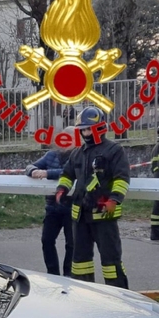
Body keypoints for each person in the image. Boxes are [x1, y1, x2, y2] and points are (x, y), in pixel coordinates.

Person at [55, 107, 130, 288]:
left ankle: (120, 297)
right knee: (80, 263)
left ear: (100, 128)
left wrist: (114, 199)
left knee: (111, 262)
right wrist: (62, 189)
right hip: (80, 217)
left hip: (103, 215)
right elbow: (67, 174)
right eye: (83, 130)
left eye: (89, 129)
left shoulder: (114, 150)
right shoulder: (77, 153)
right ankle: (85, 297)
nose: (86, 133)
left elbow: (122, 178)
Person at [25, 144, 74, 277]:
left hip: (72, 207)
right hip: (52, 207)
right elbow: (30, 166)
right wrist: (33, 171)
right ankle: (53, 274)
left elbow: (71, 171)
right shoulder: (51, 154)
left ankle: (69, 274)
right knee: (47, 240)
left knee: (72, 243)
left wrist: (47, 173)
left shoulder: (79, 155)